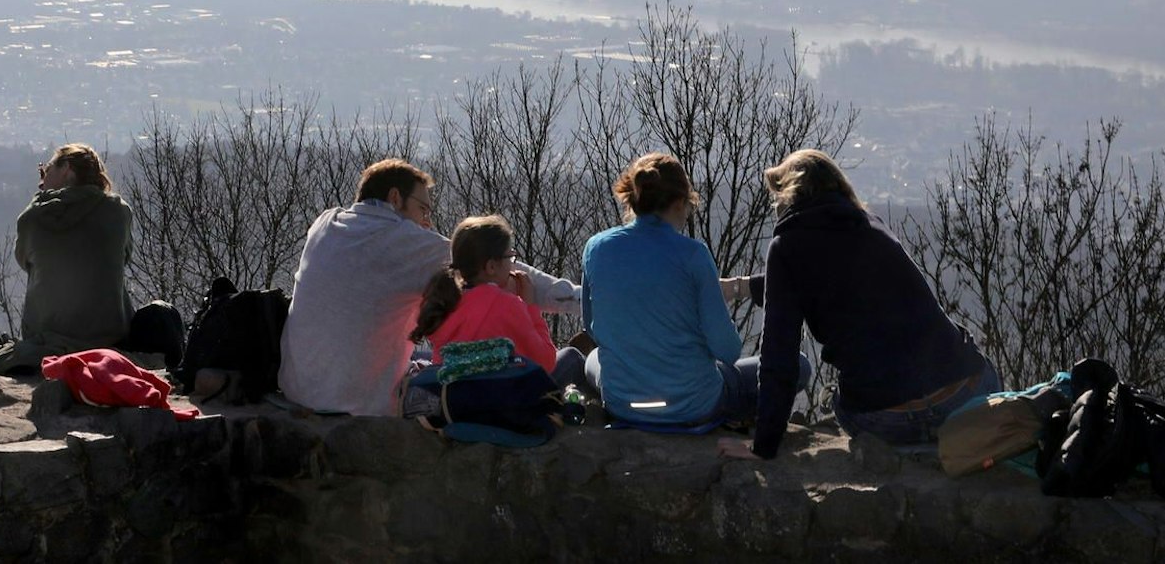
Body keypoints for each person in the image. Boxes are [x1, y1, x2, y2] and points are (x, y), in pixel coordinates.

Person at [718, 149, 997, 459]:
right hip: (966, 392)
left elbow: (779, 360)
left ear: (787, 198)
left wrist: (763, 446)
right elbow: (831, 277)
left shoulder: (787, 248)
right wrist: (741, 287)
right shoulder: (870, 226)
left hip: (887, 416)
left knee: (838, 400)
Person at [278, 159, 581, 416]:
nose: (426, 223)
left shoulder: (324, 224)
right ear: (395, 198)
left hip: (297, 389)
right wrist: (583, 299)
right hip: (359, 403)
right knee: (566, 360)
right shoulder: (408, 242)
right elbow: (500, 267)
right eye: (423, 209)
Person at [582, 152, 808, 427]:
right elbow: (728, 350)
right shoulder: (693, 256)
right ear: (679, 203)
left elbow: (593, 327)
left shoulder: (596, 248)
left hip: (623, 404)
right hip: (693, 406)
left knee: (592, 358)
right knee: (798, 365)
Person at [0, 143, 134, 374]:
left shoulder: (31, 219)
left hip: (45, 334)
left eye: (47, 169)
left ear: (67, 170)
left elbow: (25, 262)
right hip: (109, 335)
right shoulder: (119, 212)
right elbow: (122, 259)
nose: (42, 177)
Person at [410, 214, 586, 389]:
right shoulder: (508, 305)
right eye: (510, 257)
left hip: (457, 402)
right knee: (572, 358)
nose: (512, 264)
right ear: (491, 267)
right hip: (505, 403)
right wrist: (530, 306)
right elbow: (546, 361)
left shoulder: (444, 303)